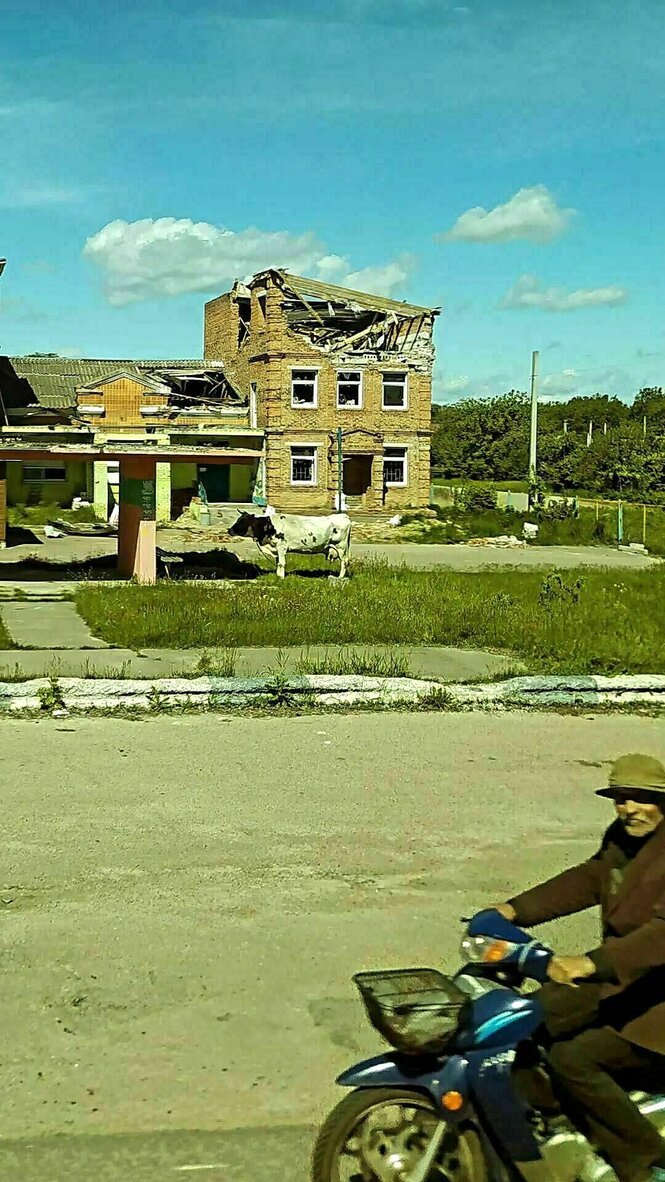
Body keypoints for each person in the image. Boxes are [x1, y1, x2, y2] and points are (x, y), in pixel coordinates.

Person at [493, 753, 665, 1182]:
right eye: (620, 799)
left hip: (657, 1002)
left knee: (574, 1057)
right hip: (625, 982)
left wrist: (591, 962)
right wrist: (514, 910)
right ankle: (559, 1124)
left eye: (641, 798)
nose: (629, 809)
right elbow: (589, 880)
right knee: (522, 1019)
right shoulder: (623, 840)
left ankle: (644, 1162)